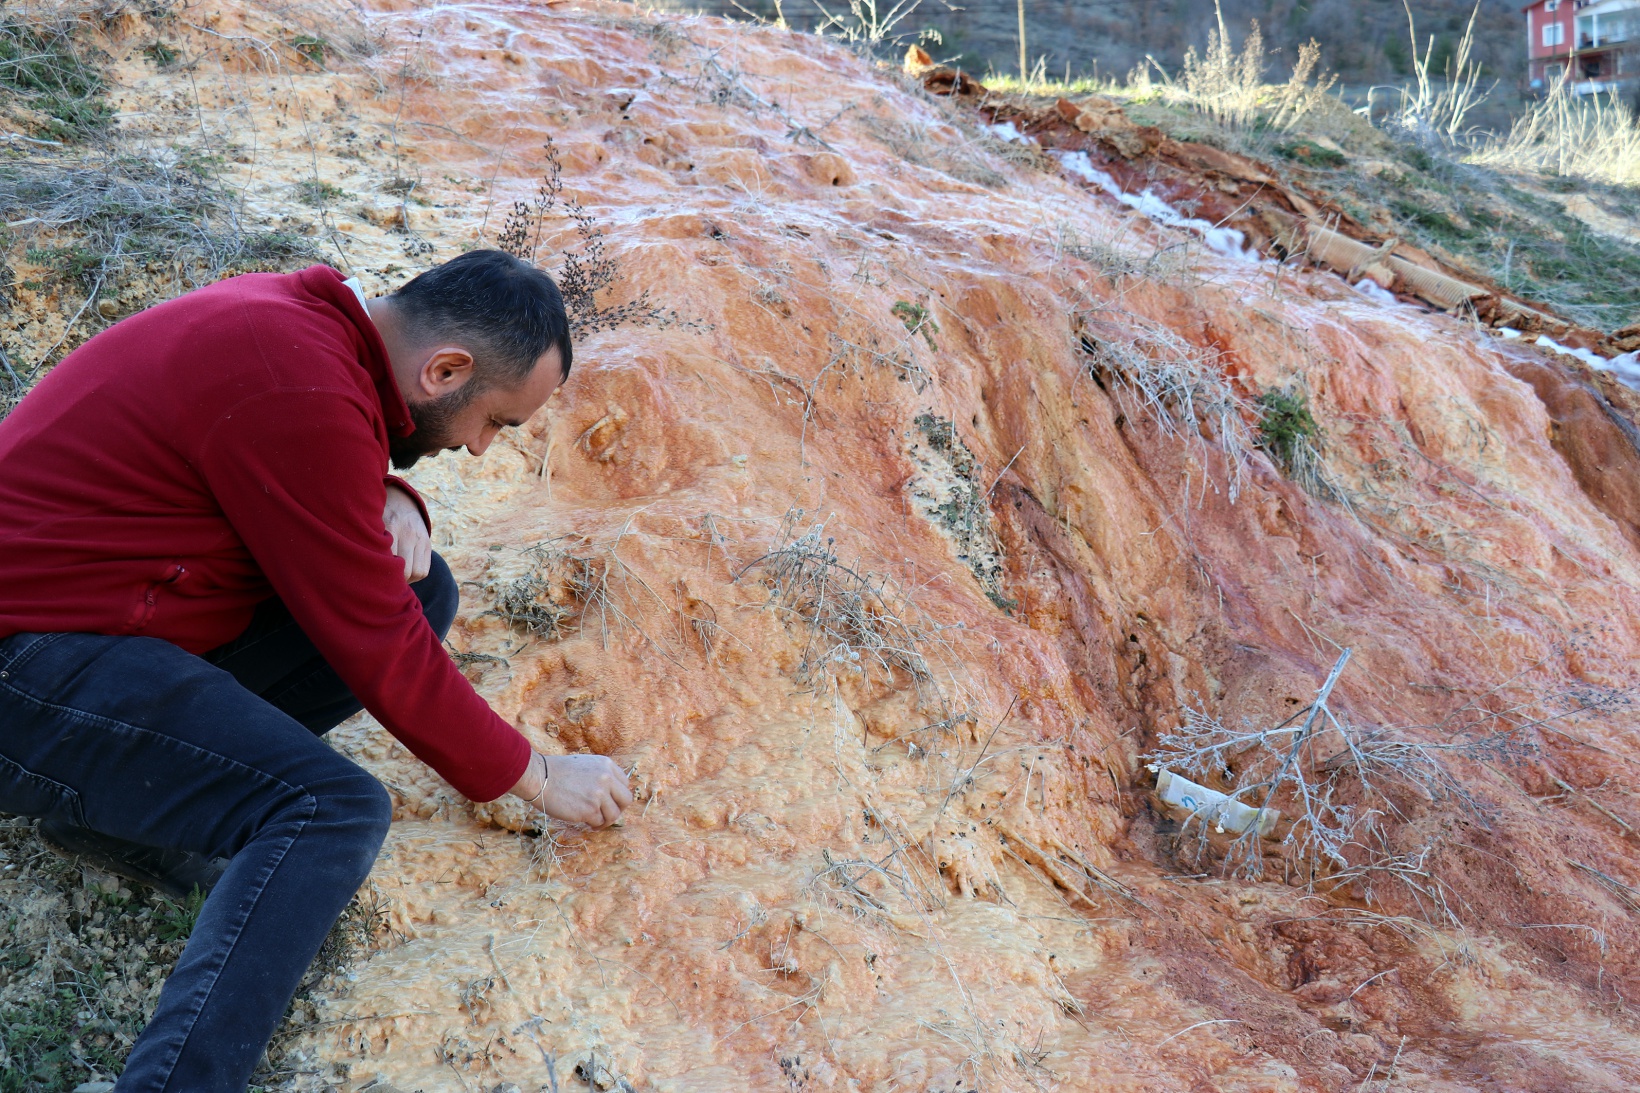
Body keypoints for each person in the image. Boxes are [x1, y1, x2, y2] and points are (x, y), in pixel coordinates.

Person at [0, 250, 634, 1092]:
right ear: (445, 370)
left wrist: (394, 492)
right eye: (496, 422)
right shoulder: (297, 389)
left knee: (424, 588)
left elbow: (306, 456)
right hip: (25, 658)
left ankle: (117, 818)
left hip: (98, 611)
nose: (482, 449)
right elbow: (375, 641)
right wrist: (535, 772)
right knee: (330, 807)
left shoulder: (303, 328)